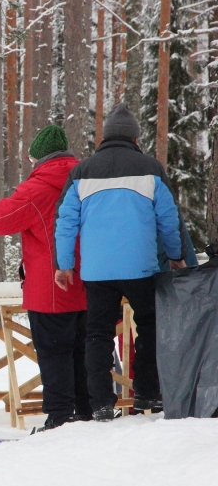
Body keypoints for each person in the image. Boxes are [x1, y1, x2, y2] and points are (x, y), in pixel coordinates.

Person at [54, 103, 186, 422]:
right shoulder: (151, 168)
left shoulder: (81, 172)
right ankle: (147, 392)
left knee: (98, 333)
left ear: (105, 137)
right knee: (150, 325)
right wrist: (176, 256)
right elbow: (168, 219)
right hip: (140, 267)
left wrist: (64, 264)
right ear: (135, 139)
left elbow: (65, 221)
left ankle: (100, 401)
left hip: (97, 270)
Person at [0, 125, 91, 431]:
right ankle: (87, 413)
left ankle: (60, 418)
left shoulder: (38, 188)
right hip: (91, 286)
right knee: (85, 352)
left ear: (40, 159)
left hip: (52, 288)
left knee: (54, 353)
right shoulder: (89, 180)